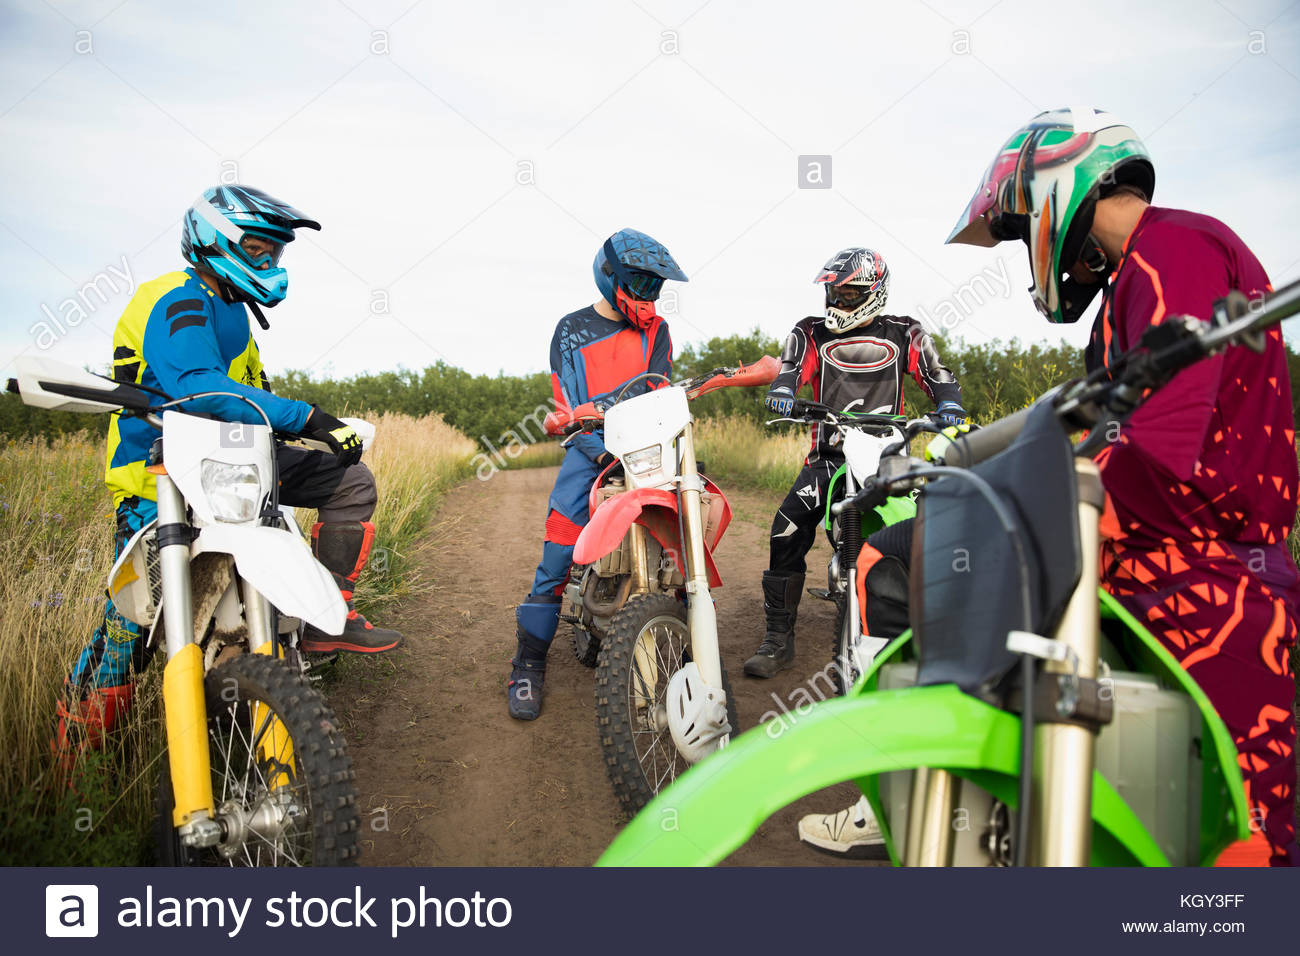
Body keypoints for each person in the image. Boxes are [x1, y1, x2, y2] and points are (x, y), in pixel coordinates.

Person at [804, 107, 1299, 866]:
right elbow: (1094, 434)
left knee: (1242, 855)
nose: (1020, 248)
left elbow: (1159, 442)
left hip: (1198, 572)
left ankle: (905, 767)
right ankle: (924, 772)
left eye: (1015, 227)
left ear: (1054, 190)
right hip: (1176, 557)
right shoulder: (1140, 277)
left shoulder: (1173, 248)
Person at [55, 184, 403, 758]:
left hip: (235, 472)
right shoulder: (178, 300)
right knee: (135, 628)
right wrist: (311, 417)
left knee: (351, 480)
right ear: (218, 242)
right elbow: (200, 391)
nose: (270, 264)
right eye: (260, 250)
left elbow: (252, 400)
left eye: (276, 255)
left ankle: (323, 616)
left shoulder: (236, 316)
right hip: (163, 478)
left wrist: (322, 434)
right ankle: (72, 760)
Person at [743, 247, 965, 679]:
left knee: (927, 528)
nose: (837, 302)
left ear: (874, 292)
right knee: (785, 528)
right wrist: (785, 391)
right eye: (834, 293)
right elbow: (790, 368)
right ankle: (777, 638)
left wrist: (950, 405)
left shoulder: (907, 332)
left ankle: (925, 626)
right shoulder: (810, 331)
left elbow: (939, 376)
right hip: (829, 455)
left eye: (847, 294)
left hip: (889, 455)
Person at [508, 229, 686, 721]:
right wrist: (604, 450)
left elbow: (658, 387)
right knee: (558, 551)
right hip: (590, 452)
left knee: (683, 537)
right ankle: (527, 663)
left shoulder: (659, 331)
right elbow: (568, 402)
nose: (648, 296)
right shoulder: (572, 330)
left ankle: (681, 636)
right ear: (610, 276)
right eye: (640, 283)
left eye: (655, 286)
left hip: (648, 448)